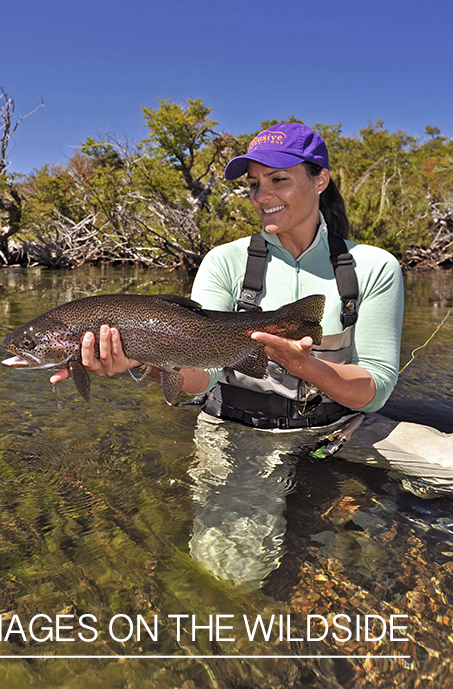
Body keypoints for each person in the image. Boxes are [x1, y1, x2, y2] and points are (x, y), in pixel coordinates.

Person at [50, 122, 453, 584]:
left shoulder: (374, 266)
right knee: (232, 573)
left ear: (319, 179)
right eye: (254, 184)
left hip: (341, 425)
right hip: (241, 430)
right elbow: (204, 380)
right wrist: (146, 358)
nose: (263, 195)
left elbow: (375, 389)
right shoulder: (226, 261)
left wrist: (306, 366)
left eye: (279, 179)